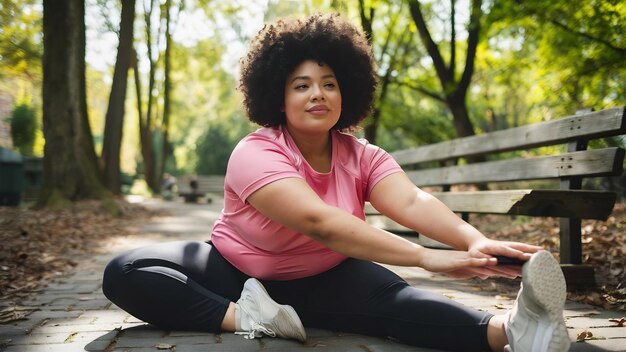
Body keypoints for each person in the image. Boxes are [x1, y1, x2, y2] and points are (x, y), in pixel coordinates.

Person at [102, 13, 570, 352]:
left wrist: (476, 241)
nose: (317, 94)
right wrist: (429, 258)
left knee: (399, 305)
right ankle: (251, 318)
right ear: (278, 97)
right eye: (301, 85)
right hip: (235, 273)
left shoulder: (361, 154)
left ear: (346, 91)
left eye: (328, 83)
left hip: (328, 275)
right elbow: (319, 221)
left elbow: (409, 200)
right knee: (124, 271)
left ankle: (516, 330)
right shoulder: (256, 152)